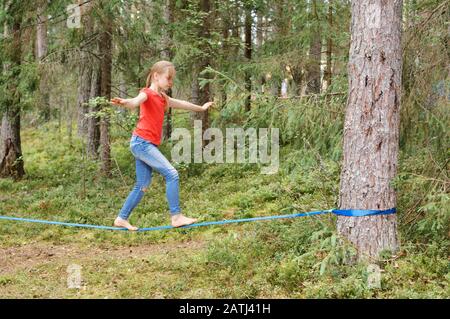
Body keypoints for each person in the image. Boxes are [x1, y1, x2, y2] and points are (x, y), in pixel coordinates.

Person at [110, 61, 213, 231]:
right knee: (172, 174)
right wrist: (125, 102)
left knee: (142, 185)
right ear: (156, 76)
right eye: (168, 78)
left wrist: (201, 108)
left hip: (143, 144)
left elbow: (182, 104)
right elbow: (135, 102)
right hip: (142, 143)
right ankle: (176, 216)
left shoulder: (163, 98)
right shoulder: (147, 93)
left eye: (172, 79)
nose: (171, 82)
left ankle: (121, 218)